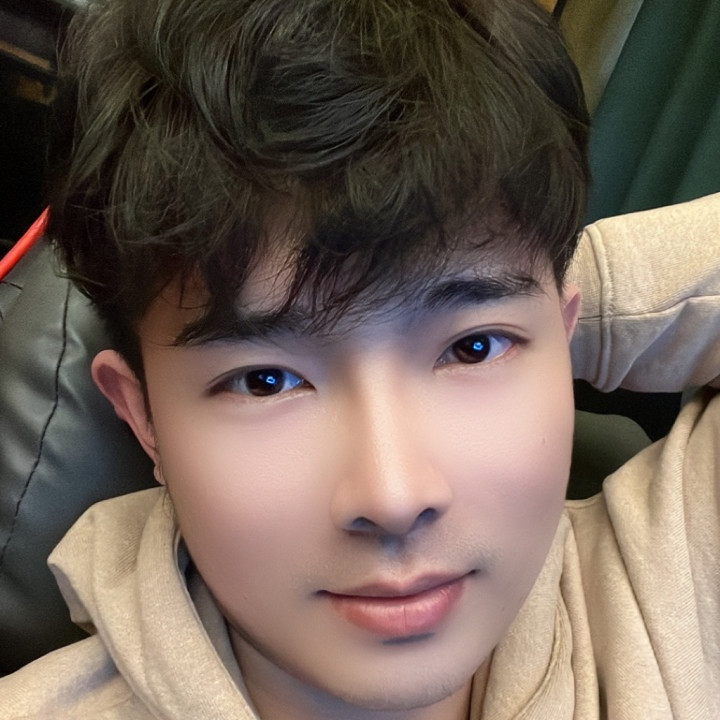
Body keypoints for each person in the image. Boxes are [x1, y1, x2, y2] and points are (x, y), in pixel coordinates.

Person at [1, 0, 719, 718]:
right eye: (265, 381)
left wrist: (545, 280)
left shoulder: (673, 588)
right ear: (144, 419)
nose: (393, 497)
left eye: (473, 347)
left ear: (562, 340)